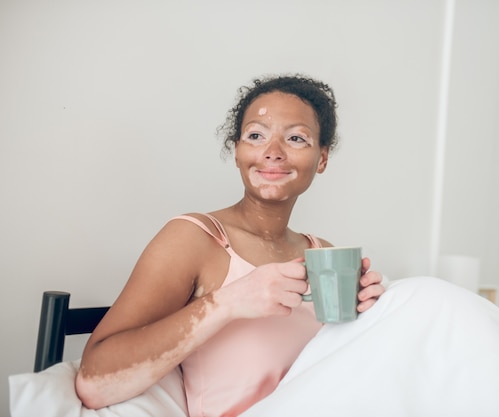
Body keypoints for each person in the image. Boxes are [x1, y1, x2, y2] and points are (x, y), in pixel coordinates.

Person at [74, 74, 386, 416]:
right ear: (236, 151)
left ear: (322, 158)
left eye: (296, 138)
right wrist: (230, 301)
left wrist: (370, 316)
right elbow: (94, 383)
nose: (273, 153)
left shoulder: (322, 251)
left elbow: (340, 374)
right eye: (256, 136)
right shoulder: (193, 239)